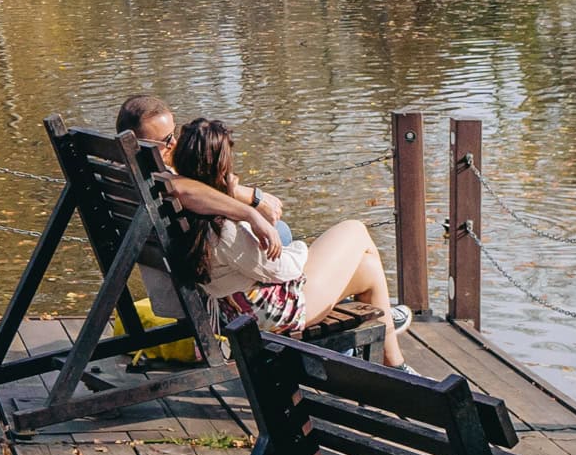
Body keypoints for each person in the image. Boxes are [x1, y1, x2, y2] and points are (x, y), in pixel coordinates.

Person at [172, 118, 414, 372]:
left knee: (368, 267)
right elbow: (284, 269)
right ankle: (392, 349)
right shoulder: (224, 228)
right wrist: (301, 248)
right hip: (273, 314)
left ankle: (395, 363)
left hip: (241, 308)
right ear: (222, 168)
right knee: (355, 229)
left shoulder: (190, 215)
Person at [116, 95, 287, 254]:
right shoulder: (156, 180)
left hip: (155, 258)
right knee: (282, 231)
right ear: (139, 145)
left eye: (174, 134)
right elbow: (183, 188)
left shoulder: (117, 173)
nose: (174, 143)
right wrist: (251, 211)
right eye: (166, 139)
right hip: (193, 263)